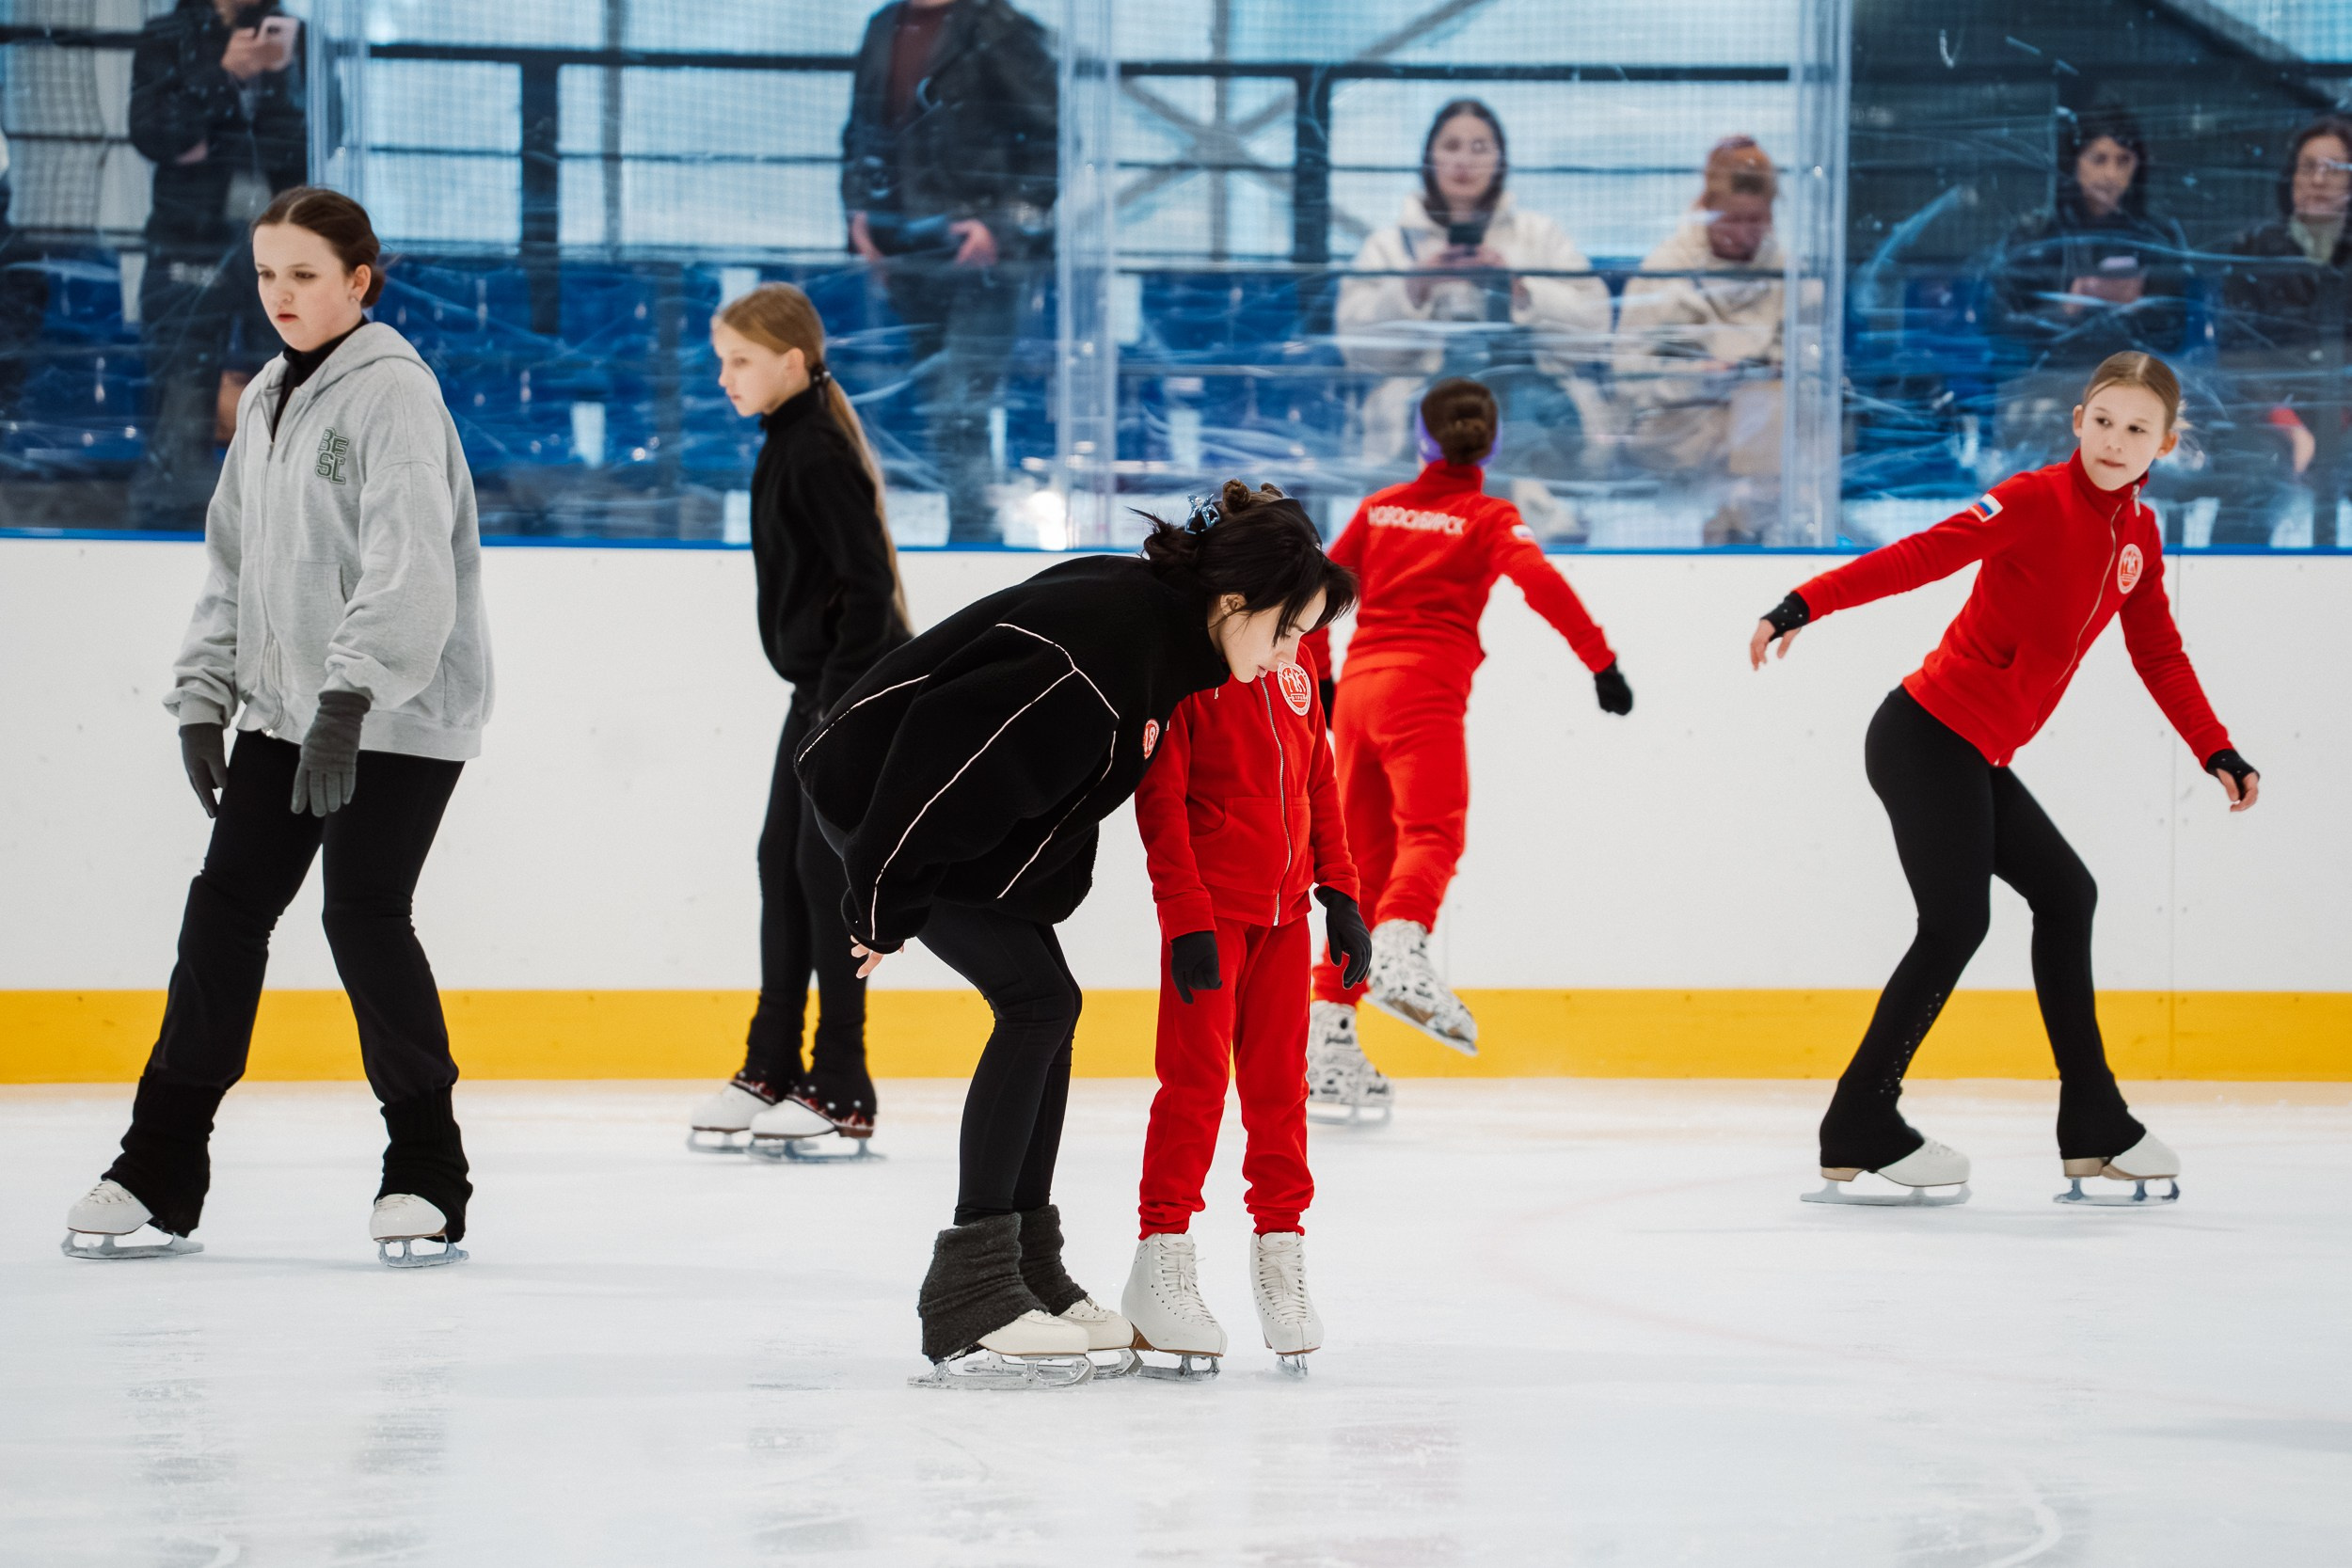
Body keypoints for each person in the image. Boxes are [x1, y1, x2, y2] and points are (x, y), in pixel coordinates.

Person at [795, 481, 1354, 1388]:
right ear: (1234, 604)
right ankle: (973, 1297)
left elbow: (1049, 783)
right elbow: (935, 754)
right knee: (1036, 1004)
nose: (1294, 653)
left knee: (1052, 1004)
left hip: (941, 839)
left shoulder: (1165, 640)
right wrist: (879, 905)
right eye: (1288, 629)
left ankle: (1032, 1270)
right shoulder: (1105, 651)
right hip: (878, 817)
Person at [60, 187, 494, 1266]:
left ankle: (428, 1172)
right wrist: (204, 695)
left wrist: (350, 697)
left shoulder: (394, 394)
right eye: (266, 273)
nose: (281, 295)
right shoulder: (263, 395)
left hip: (393, 711)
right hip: (287, 704)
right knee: (223, 914)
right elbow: (233, 560)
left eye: (305, 274)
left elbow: (410, 562)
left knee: (361, 913)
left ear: (360, 281)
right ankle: (158, 1163)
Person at [1749, 352, 2256, 1207]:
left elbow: (2158, 651)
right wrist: (1803, 603)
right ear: (2077, 420)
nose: (2114, 440)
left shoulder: (2137, 536)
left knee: (2068, 895)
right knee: (1955, 924)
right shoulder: (2032, 499)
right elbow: (1921, 555)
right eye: (2101, 420)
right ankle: (1860, 1120)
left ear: (2165, 444)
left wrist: (2217, 749)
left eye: (2136, 429)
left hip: (1976, 750)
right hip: (1924, 733)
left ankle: (2094, 1121)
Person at [1299, 378, 1630, 1112]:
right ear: (1494, 440)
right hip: (1422, 692)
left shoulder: (1379, 508)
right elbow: (1539, 580)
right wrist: (1600, 660)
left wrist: (1321, 682)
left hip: (1357, 694)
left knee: (1362, 870)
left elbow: (1317, 593)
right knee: (1434, 835)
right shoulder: (1489, 515)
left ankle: (1329, 1040)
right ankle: (1401, 953)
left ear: (1422, 439)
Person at [1124, 547, 1370, 1377]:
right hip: (1212, 923)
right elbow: (1159, 804)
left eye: (1307, 631)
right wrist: (1187, 920)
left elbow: (1319, 784)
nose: (1296, 644)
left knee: (1279, 1093)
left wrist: (1341, 890)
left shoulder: (1297, 678)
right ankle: (1162, 1259)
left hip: (1285, 921)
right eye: (1291, 625)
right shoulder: (1191, 677)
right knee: (1193, 1087)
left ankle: (1280, 1251)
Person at [687, 285, 913, 1159]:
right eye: (720, 360)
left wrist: (840, 699)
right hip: (826, 687)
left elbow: (868, 584)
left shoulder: (814, 446)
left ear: (792, 360)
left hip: (854, 689)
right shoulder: (792, 436)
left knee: (822, 876)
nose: (724, 377)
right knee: (780, 864)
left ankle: (843, 1083)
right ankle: (770, 1063)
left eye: (740, 361)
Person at [840, 0, 1057, 544]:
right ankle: (966, 531)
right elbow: (862, 129)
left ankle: (975, 536)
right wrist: (859, 215)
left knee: (962, 403)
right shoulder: (883, 26)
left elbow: (1046, 140)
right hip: (905, 245)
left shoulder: (1002, 29)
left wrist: (998, 226)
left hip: (982, 254)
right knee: (936, 399)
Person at [1337, 99, 1613, 500]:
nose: (1463, 161)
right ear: (1429, 158)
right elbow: (1357, 350)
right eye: (1451, 146)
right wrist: (1415, 286)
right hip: (1418, 426)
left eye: (1479, 148)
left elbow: (1594, 331)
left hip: (1535, 419)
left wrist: (1520, 290)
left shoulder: (1540, 236)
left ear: (1501, 161)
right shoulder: (1388, 245)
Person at [128, 0, 309, 531]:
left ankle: (284, 519)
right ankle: (173, 519)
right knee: (181, 384)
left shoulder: (297, 38)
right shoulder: (167, 35)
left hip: (281, 244)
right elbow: (158, 137)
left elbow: (309, 150)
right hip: (190, 238)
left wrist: (276, 80)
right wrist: (223, 73)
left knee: (283, 384)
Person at [1982, 103, 2190, 472]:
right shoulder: (2036, 237)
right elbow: (2001, 324)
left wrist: (2137, 306)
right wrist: (2068, 307)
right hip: (2048, 391)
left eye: (2122, 160)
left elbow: (2175, 328)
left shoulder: (2156, 238)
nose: (2110, 173)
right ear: (2074, 162)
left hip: (2135, 392)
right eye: (2098, 159)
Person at [1615, 135, 1789, 544]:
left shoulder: (1788, 273)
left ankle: (1753, 533)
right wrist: (1695, 377)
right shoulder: (1666, 268)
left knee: (1768, 419)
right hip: (1678, 420)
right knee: (1748, 434)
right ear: (1706, 210)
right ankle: (1739, 530)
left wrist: (1770, 370)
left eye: (1756, 221)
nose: (1744, 235)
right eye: (1731, 220)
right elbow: (1627, 372)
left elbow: (1812, 356)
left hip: (1762, 420)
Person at [2214, 115, 2352, 546]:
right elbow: (2237, 353)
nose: (2319, 179)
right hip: (2267, 419)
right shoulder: (2253, 249)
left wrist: (2340, 422)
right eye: (2308, 166)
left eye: (2335, 168)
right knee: (2250, 474)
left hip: (2345, 418)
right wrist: (2288, 425)